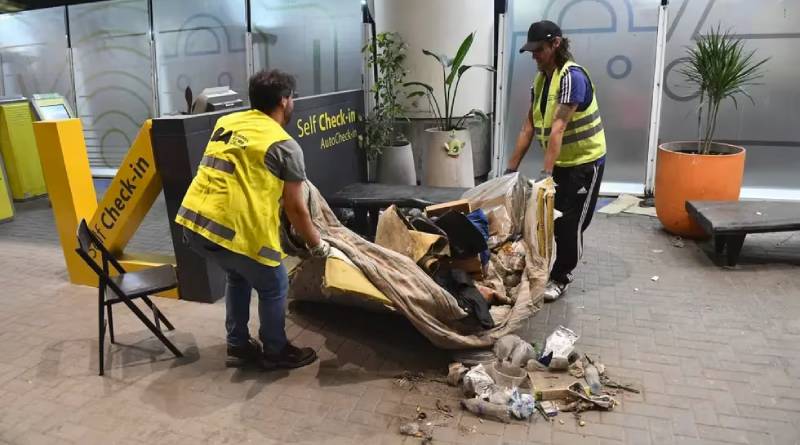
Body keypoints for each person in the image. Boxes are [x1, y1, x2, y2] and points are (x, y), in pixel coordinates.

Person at [176, 69, 330, 369]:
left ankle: (238, 344)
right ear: (285, 101)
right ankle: (275, 351)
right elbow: (295, 209)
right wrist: (317, 245)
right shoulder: (285, 145)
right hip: (236, 232)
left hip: (193, 224)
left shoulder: (226, 122)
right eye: (292, 98)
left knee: (238, 274)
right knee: (274, 283)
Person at [506, 20, 606, 302]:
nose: (534, 56)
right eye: (531, 51)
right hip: (562, 163)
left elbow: (559, 127)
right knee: (549, 219)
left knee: (570, 223)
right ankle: (543, 268)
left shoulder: (572, 78)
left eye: (539, 50)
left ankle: (562, 276)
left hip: (585, 163)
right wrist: (509, 169)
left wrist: (545, 173)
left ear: (556, 44)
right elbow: (529, 127)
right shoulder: (541, 80)